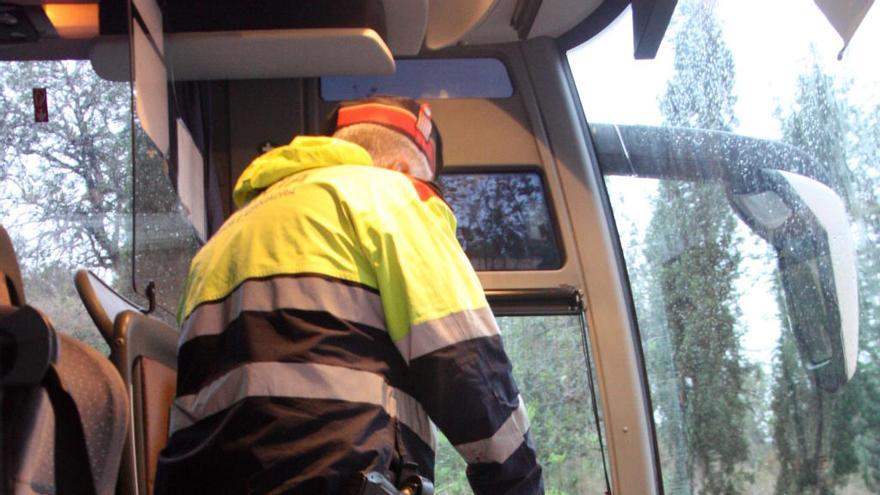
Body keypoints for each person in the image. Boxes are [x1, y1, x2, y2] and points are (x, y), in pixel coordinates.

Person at [155, 96, 544, 494]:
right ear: (404, 169)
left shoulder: (220, 243)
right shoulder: (390, 195)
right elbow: (468, 366)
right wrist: (520, 485)